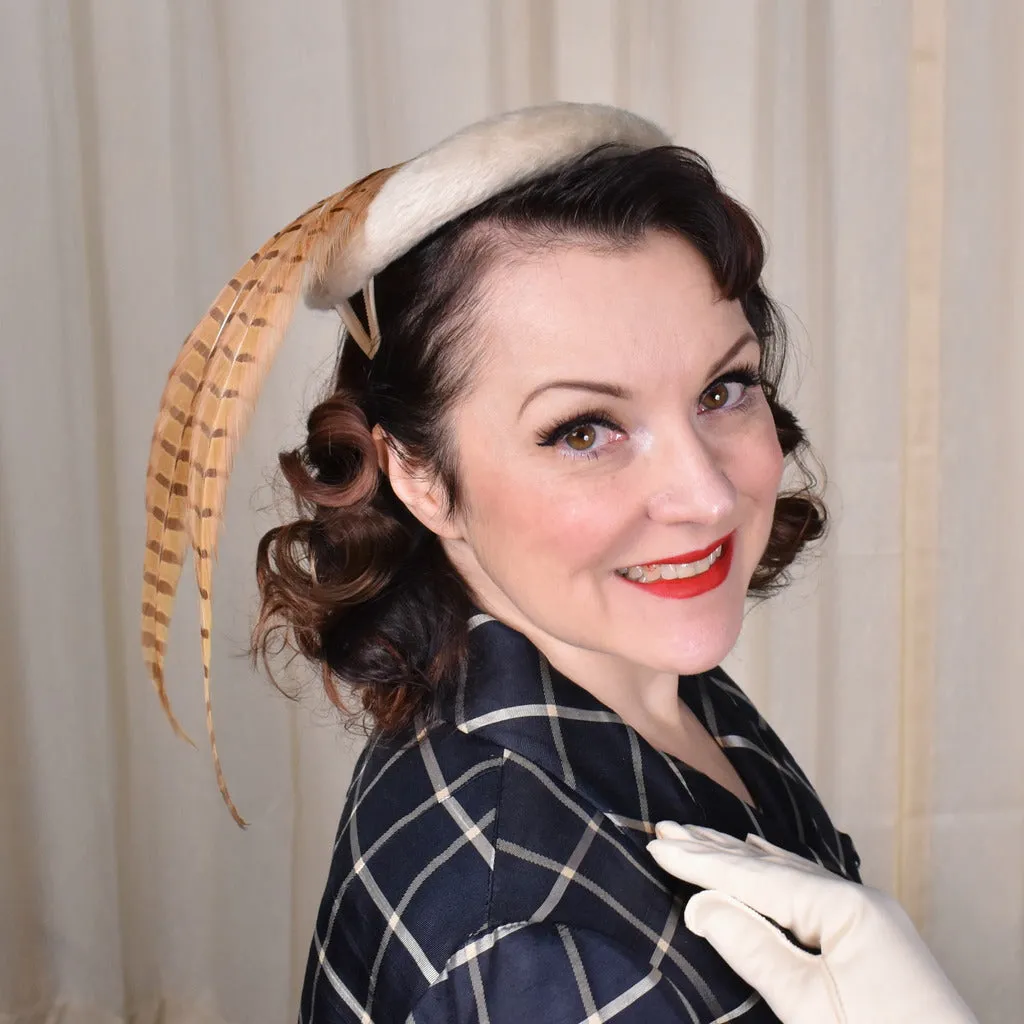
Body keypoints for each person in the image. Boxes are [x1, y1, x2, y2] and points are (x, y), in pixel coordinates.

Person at [143, 104, 860, 1021]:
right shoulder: (535, 945)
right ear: (420, 475)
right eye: (584, 430)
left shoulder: (640, 682)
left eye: (724, 389)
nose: (709, 497)